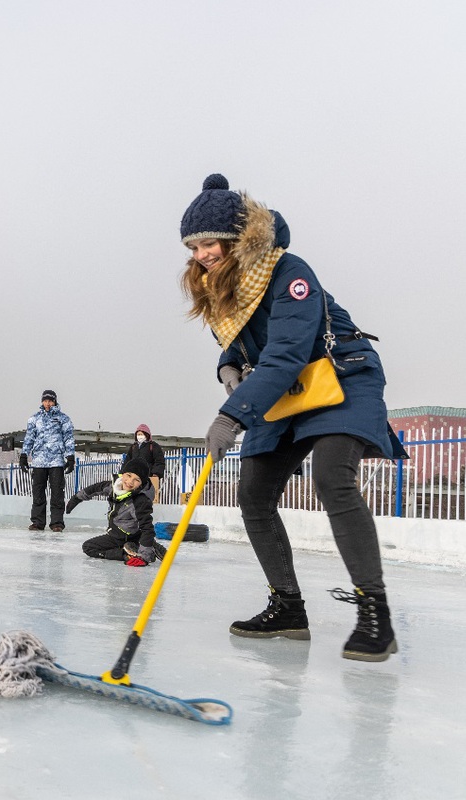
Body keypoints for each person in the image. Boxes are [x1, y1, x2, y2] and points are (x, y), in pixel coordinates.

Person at [181, 174, 406, 663]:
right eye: (193, 245)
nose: (201, 254)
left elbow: (285, 352)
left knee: (332, 477)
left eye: (208, 242)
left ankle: (375, 614)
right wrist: (228, 365)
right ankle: (287, 606)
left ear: (237, 237)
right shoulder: (222, 285)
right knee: (254, 495)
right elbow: (243, 343)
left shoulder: (288, 272)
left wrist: (230, 416)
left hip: (340, 379)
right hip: (286, 391)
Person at [69, 458, 163, 566]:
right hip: (115, 535)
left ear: (141, 484)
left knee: (89, 547)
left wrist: (144, 557)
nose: (130, 482)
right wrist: (76, 499)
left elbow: (147, 528)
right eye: (128, 475)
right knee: (88, 547)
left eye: (137, 480)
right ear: (122, 474)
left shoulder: (140, 501)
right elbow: (94, 489)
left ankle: (143, 547)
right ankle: (126, 552)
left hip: (131, 535)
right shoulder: (113, 487)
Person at [18, 389, 75, 532]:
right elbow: (29, 438)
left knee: (57, 493)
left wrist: (70, 457)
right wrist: (24, 456)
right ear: (42, 402)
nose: (47, 403)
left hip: (56, 461)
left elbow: (68, 438)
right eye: (45, 400)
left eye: (50, 401)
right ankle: (38, 522)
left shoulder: (63, 419)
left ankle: (57, 522)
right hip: (39, 462)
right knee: (38, 493)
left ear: (55, 402)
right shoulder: (34, 419)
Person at [121, 424, 166, 503]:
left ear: (147, 435)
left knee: (145, 496)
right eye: (138, 434)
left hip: (147, 476)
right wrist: (122, 473)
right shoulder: (133, 447)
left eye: (141, 434)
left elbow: (159, 461)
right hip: (134, 477)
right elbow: (127, 461)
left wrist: (156, 474)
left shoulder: (153, 446)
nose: (139, 436)